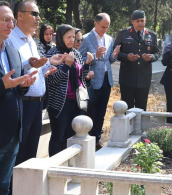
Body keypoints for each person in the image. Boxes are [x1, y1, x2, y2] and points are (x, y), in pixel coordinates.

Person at [0, 1, 37, 195]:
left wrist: (23, 87)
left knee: (2, 189)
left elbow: (14, 91)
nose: (11, 25)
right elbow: (1, 86)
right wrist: (1, 84)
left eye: (12, 21)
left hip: (12, 139)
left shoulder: (13, 53)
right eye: (5, 20)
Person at [6, 0, 63, 166]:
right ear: (20, 15)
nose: (38, 18)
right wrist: (29, 65)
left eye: (38, 14)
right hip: (22, 104)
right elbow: (11, 70)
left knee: (30, 155)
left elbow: (35, 65)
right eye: (34, 14)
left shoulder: (31, 40)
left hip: (37, 104)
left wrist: (49, 61)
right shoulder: (10, 39)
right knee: (18, 155)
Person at [46, 24, 94, 156]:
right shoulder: (53, 53)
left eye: (74, 37)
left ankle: (69, 164)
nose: (72, 40)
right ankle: (54, 165)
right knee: (58, 135)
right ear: (61, 37)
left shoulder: (76, 53)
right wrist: (66, 65)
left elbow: (81, 76)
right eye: (69, 37)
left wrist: (87, 65)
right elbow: (52, 80)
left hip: (76, 101)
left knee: (72, 135)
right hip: (59, 102)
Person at [79, 13, 120, 150]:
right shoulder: (85, 39)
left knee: (101, 112)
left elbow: (109, 60)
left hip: (106, 80)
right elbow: (80, 59)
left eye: (107, 27)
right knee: (91, 111)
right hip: (92, 80)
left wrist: (114, 55)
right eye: (103, 26)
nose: (105, 30)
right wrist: (95, 56)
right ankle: (88, 139)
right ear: (95, 23)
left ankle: (96, 139)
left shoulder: (109, 39)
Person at [114, 10, 160, 111]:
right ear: (132, 22)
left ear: (145, 21)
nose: (140, 23)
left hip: (144, 77)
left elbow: (157, 53)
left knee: (142, 107)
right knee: (126, 106)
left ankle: (139, 127)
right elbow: (116, 53)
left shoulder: (151, 35)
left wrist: (151, 57)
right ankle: (127, 127)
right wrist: (126, 57)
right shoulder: (123, 34)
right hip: (127, 77)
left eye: (142, 21)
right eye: (137, 21)